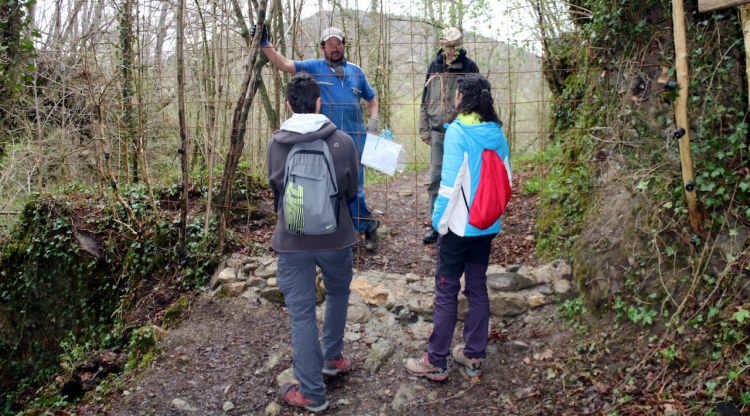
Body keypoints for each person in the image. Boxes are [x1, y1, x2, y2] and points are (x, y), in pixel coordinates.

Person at [406, 74, 510, 381]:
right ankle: (473, 355)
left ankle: (436, 360)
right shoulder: (497, 133)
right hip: (486, 224)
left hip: (459, 226)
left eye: (456, 94)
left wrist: (438, 224)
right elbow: (507, 179)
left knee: (446, 291)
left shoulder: (458, 132)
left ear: (463, 98)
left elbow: (448, 187)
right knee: (477, 288)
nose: (454, 98)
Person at [267, 73, 359, 413]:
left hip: (292, 240)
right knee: (337, 292)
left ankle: (311, 393)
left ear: (289, 105)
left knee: (302, 314)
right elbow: (351, 190)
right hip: (336, 237)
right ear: (320, 103)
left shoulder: (277, 143)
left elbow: (276, 190)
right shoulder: (343, 142)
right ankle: (332, 358)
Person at [256, 25, 381, 251]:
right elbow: (284, 64)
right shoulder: (314, 67)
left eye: (339, 43)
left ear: (344, 45)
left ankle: (368, 226)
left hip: (355, 140)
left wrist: (373, 121)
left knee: (356, 189)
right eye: (330, 44)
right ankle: (340, 231)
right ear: (322, 47)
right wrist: (264, 43)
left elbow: (372, 99)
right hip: (326, 139)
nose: (335, 47)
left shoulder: (356, 71)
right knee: (330, 186)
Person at [419, 27, 479, 245]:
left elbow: (478, 97)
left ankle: (461, 223)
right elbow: (425, 98)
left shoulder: (469, 67)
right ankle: (436, 225)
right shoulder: (434, 66)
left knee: (462, 176)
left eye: (454, 45)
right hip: (437, 133)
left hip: (461, 131)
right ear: (442, 45)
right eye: (447, 45)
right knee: (436, 178)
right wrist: (424, 128)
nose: (451, 50)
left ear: (460, 45)